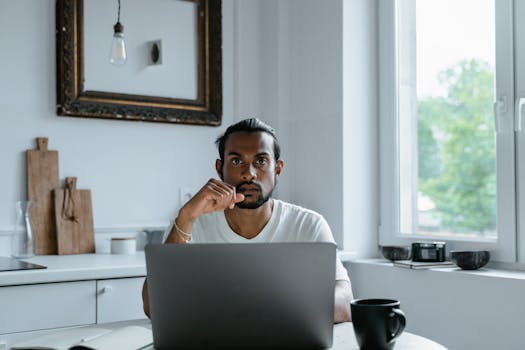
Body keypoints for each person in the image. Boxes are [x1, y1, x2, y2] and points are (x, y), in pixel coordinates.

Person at [142, 118, 353, 323]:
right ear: (219, 168)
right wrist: (186, 215)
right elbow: (153, 305)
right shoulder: (189, 223)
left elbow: (344, 302)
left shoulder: (308, 225)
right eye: (236, 161)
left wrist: (274, 308)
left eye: (261, 161)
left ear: (277, 169)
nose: (249, 174)